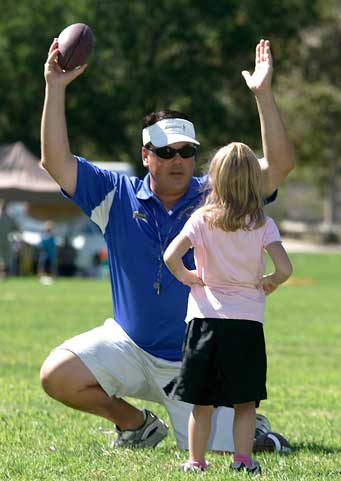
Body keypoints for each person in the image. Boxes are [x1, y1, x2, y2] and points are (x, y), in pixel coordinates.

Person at [39, 38, 294, 451]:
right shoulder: (114, 194)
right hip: (128, 343)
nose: (178, 160)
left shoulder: (219, 194)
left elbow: (279, 166)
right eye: (166, 151)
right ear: (145, 155)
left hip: (192, 359)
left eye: (186, 152)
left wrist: (263, 95)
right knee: (57, 374)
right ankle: (136, 424)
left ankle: (249, 422)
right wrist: (55, 87)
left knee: (230, 446)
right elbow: (56, 161)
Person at [163, 142, 293, 474]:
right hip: (246, 324)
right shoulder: (263, 224)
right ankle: (243, 460)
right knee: (244, 402)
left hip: (205, 321)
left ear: (215, 181)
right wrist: (270, 281)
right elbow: (285, 268)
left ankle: (196, 461)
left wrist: (190, 278)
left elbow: (170, 257)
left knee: (202, 402)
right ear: (254, 180)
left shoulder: (201, 220)